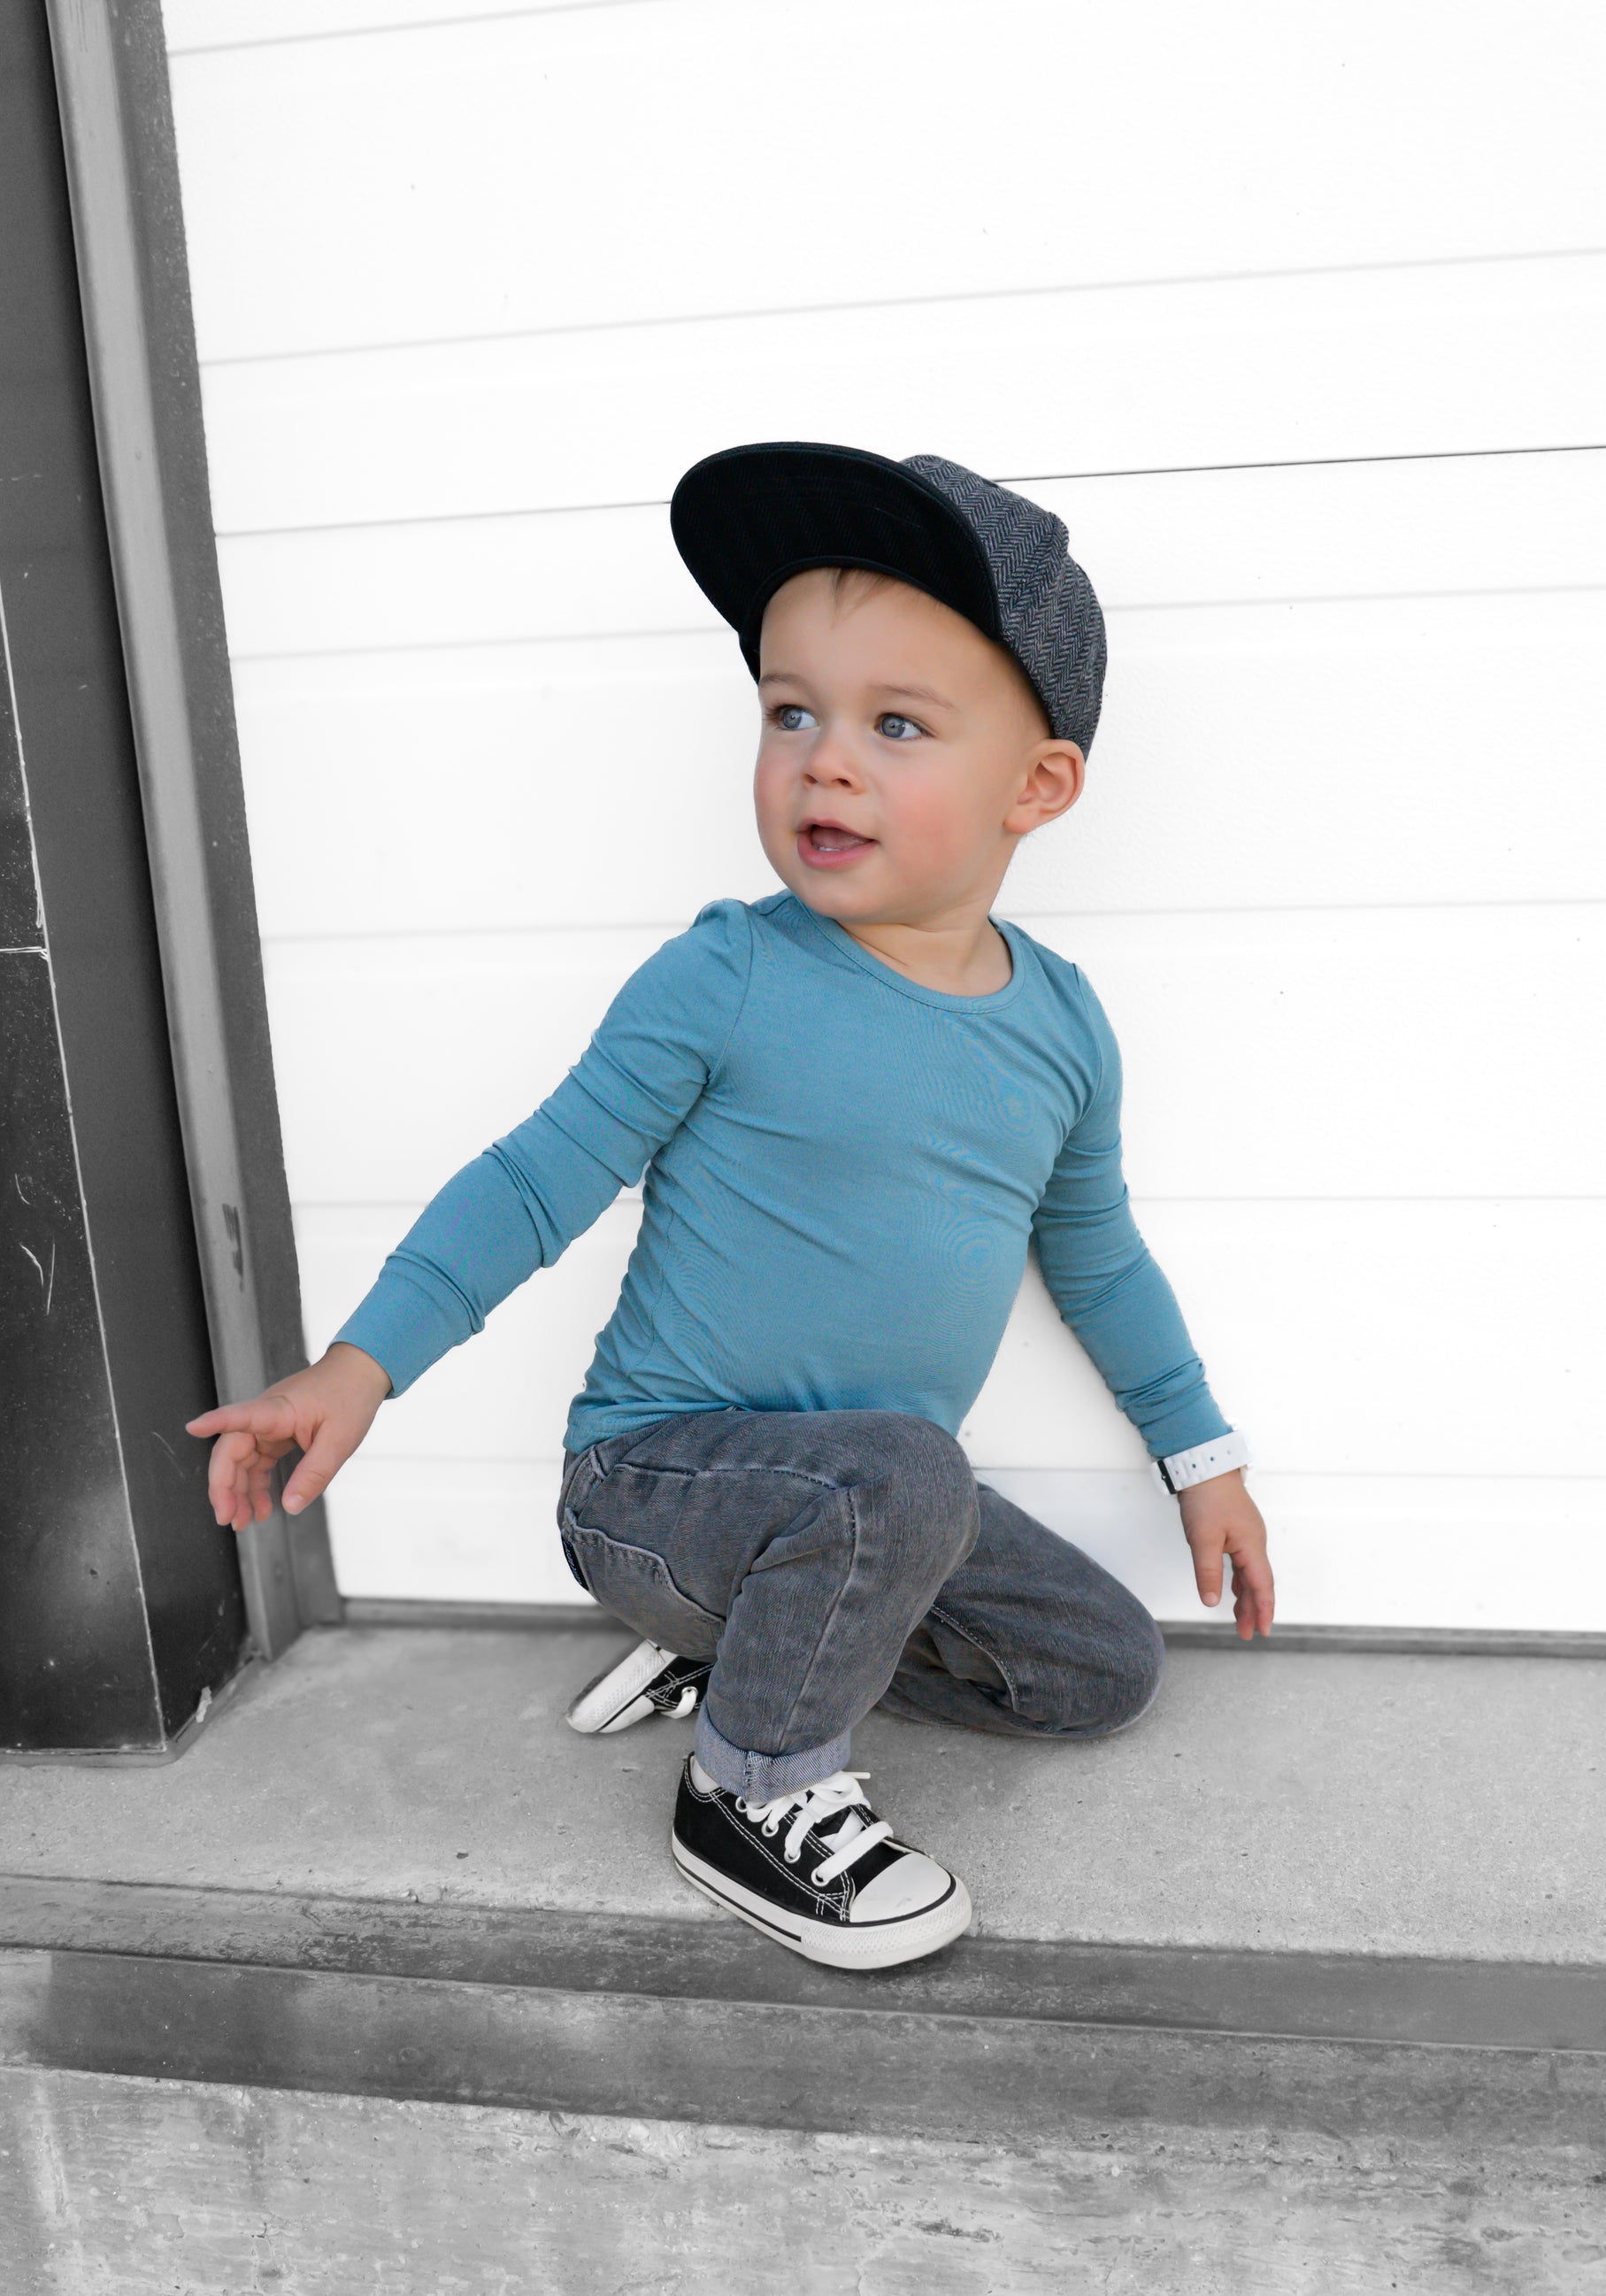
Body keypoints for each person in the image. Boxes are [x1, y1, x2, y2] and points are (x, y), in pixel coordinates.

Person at [189, 443, 1274, 1972]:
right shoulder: (729, 972)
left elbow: (1094, 1254)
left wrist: (1202, 1460)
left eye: (896, 723)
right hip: (652, 1487)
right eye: (789, 712)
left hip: (866, 1501)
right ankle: (749, 1787)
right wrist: (356, 1367)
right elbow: (536, 1178)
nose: (823, 761)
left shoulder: (1063, 1026)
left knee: (1097, 1664)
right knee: (903, 1476)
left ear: (1034, 786)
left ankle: (759, 1654)